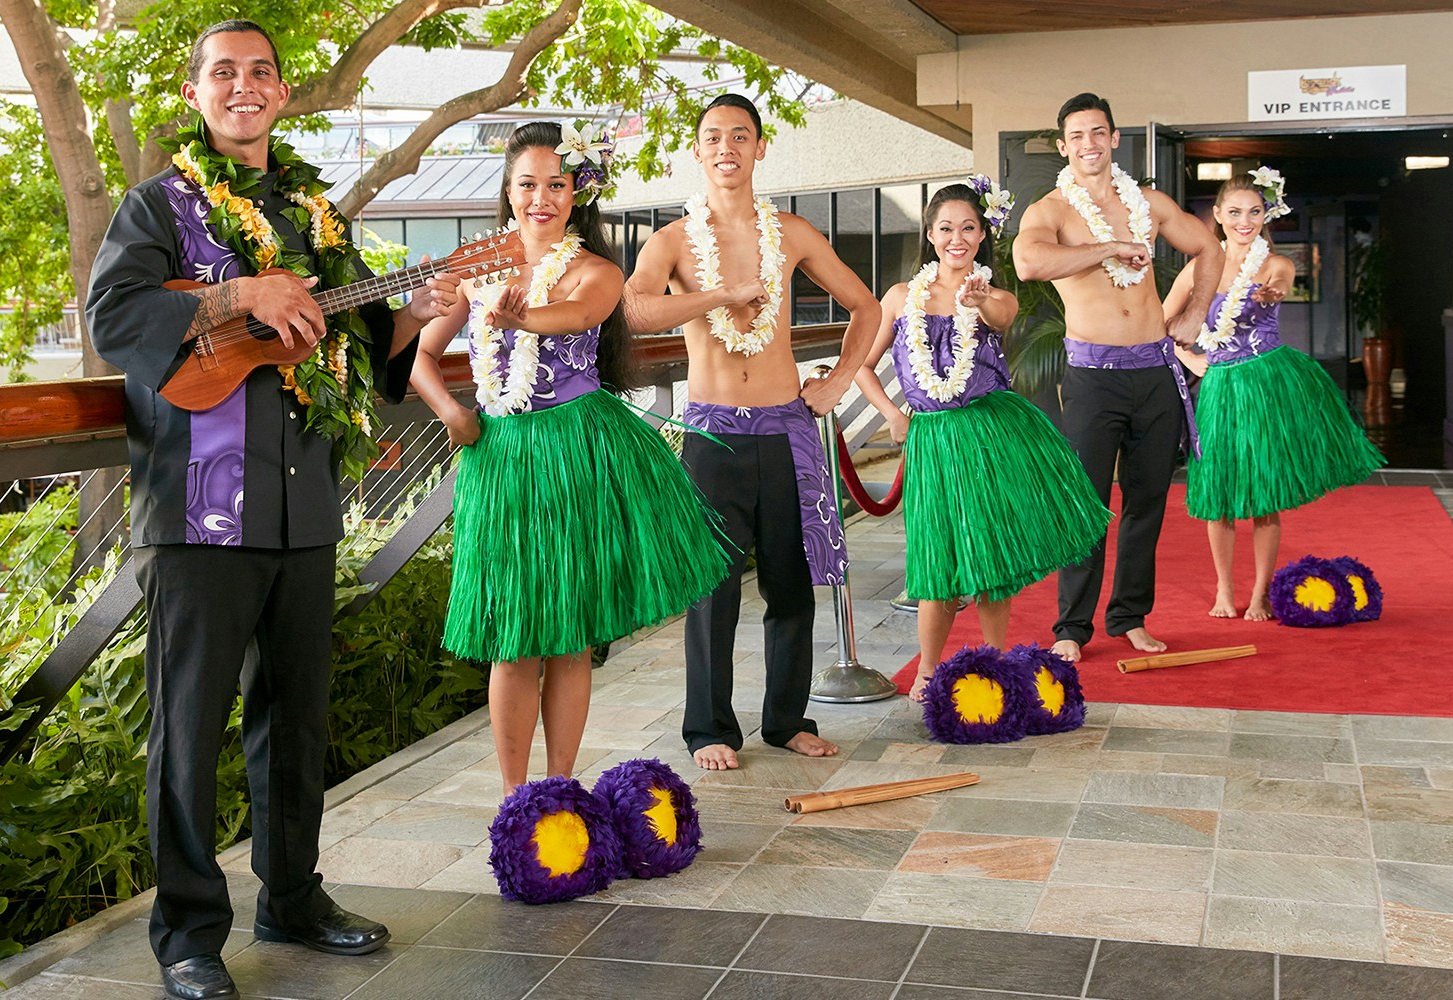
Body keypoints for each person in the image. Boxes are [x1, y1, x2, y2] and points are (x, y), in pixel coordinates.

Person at [84, 21, 461, 1000]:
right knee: (191, 724)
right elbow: (114, 318)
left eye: (260, 73)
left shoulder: (313, 214)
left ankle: (291, 894)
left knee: (295, 719)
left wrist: (417, 320)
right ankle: (187, 935)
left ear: (283, 93)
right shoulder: (156, 205)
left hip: (301, 502)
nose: (243, 86)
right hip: (199, 509)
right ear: (196, 89)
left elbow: (356, 360)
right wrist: (240, 289)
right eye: (225, 72)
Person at [407, 121, 730, 795]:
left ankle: (560, 789)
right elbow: (422, 357)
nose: (541, 199)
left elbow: (578, 316)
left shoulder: (598, 272)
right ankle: (514, 799)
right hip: (501, 461)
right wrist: (453, 413)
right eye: (528, 184)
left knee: (569, 635)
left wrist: (516, 315)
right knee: (515, 636)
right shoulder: (476, 268)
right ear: (508, 189)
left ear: (576, 193)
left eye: (557, 184)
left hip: (575, 452)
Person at [625, 94, 880, 771]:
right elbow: (635, 310)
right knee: (712, 588)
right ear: (699, 150)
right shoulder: (674, 241)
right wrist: (717, 296)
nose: (727, 147)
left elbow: (867, 306)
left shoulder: (791, 233)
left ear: (760, 148)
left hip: (785, 427)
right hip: (712, 432)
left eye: (741, 135)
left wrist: (836, 383)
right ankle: (708, 728)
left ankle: (787, 719)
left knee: (790, 584)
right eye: (714, 136)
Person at [853, 179, 1112, 700]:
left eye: (968, 228)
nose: (957, 237)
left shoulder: (996, 295)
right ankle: (928, 670)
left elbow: (1003, 317)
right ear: (930, 234)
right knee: (937, 560)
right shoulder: (902, 297)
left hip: (989, 432)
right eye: (946, 227)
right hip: (933, 439)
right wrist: (891, 415)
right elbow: (860, 363)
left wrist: (980, 298)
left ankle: (996, 663)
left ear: (981, 235)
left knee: (990, 556)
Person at [1013, 92, 1224, 662]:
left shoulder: (1150, 203)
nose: (1089, 144)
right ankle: (1071, 627)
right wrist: (1109, 245)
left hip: (1155, 369)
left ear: (1114, 139)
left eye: (1098, 132)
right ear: (1063, 146)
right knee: (1087, 501)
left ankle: (1129, 616)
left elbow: (1208, 246)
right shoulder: (1053, 211)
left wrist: (1196, 310)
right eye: (1077, 135)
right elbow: (1029, 263)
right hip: (1092, 376)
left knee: (1147, 499)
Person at [1163, 167, 1386, 620]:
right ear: (1218, 216)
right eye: (1235, 212)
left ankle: (1261, 592)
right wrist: (1190, 361)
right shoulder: (1197, 269)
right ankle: (1225, 590)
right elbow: (1160, 324)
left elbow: (1280, 285)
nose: (1245, 221)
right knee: (1218, 497)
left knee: (1263, 495)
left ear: (1266, 215)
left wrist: (1272, 293)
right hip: (1220, 388)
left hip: (1265, 383)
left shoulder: (1274, 264)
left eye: (1254, 211)